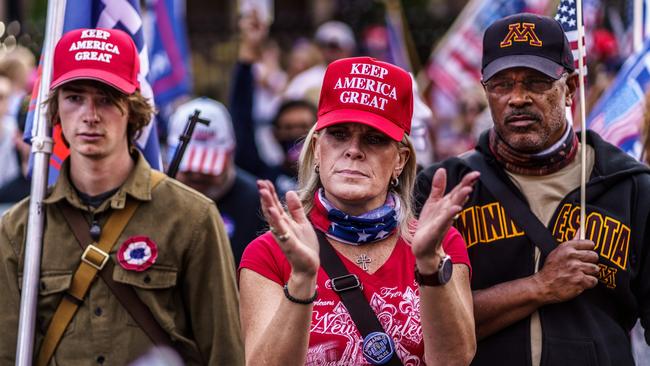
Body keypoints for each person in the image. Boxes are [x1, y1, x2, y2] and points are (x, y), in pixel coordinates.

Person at [415, 13, 650, 366]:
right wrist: (540, 286)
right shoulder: (443, 188)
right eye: (501, 84)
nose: (517, 98)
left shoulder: (631, 186)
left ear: (569, 89)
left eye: (536, 82)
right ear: (485, 91)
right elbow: (418, 326)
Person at [0, 28, 243, 365]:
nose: (90, 114)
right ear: (55, 110)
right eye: (74, 98)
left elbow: (224, 352)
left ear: (133, 108)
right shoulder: (20, 228)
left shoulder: (192, 217)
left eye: (106, 98)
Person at [239, 56, 479, 365]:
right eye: (338, 134)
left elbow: (454, 360)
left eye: (375, 139)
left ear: (401, 160)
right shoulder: (269, 254)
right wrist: (301, 277)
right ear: (316, 150)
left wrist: (430, 264)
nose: (353, 149)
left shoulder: (440, 244)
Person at [168, 96, 265, 265]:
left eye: (208, 168)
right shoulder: (156, 199)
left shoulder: (258, 203)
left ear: (230, 154)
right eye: (189, 168)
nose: (197, 175)